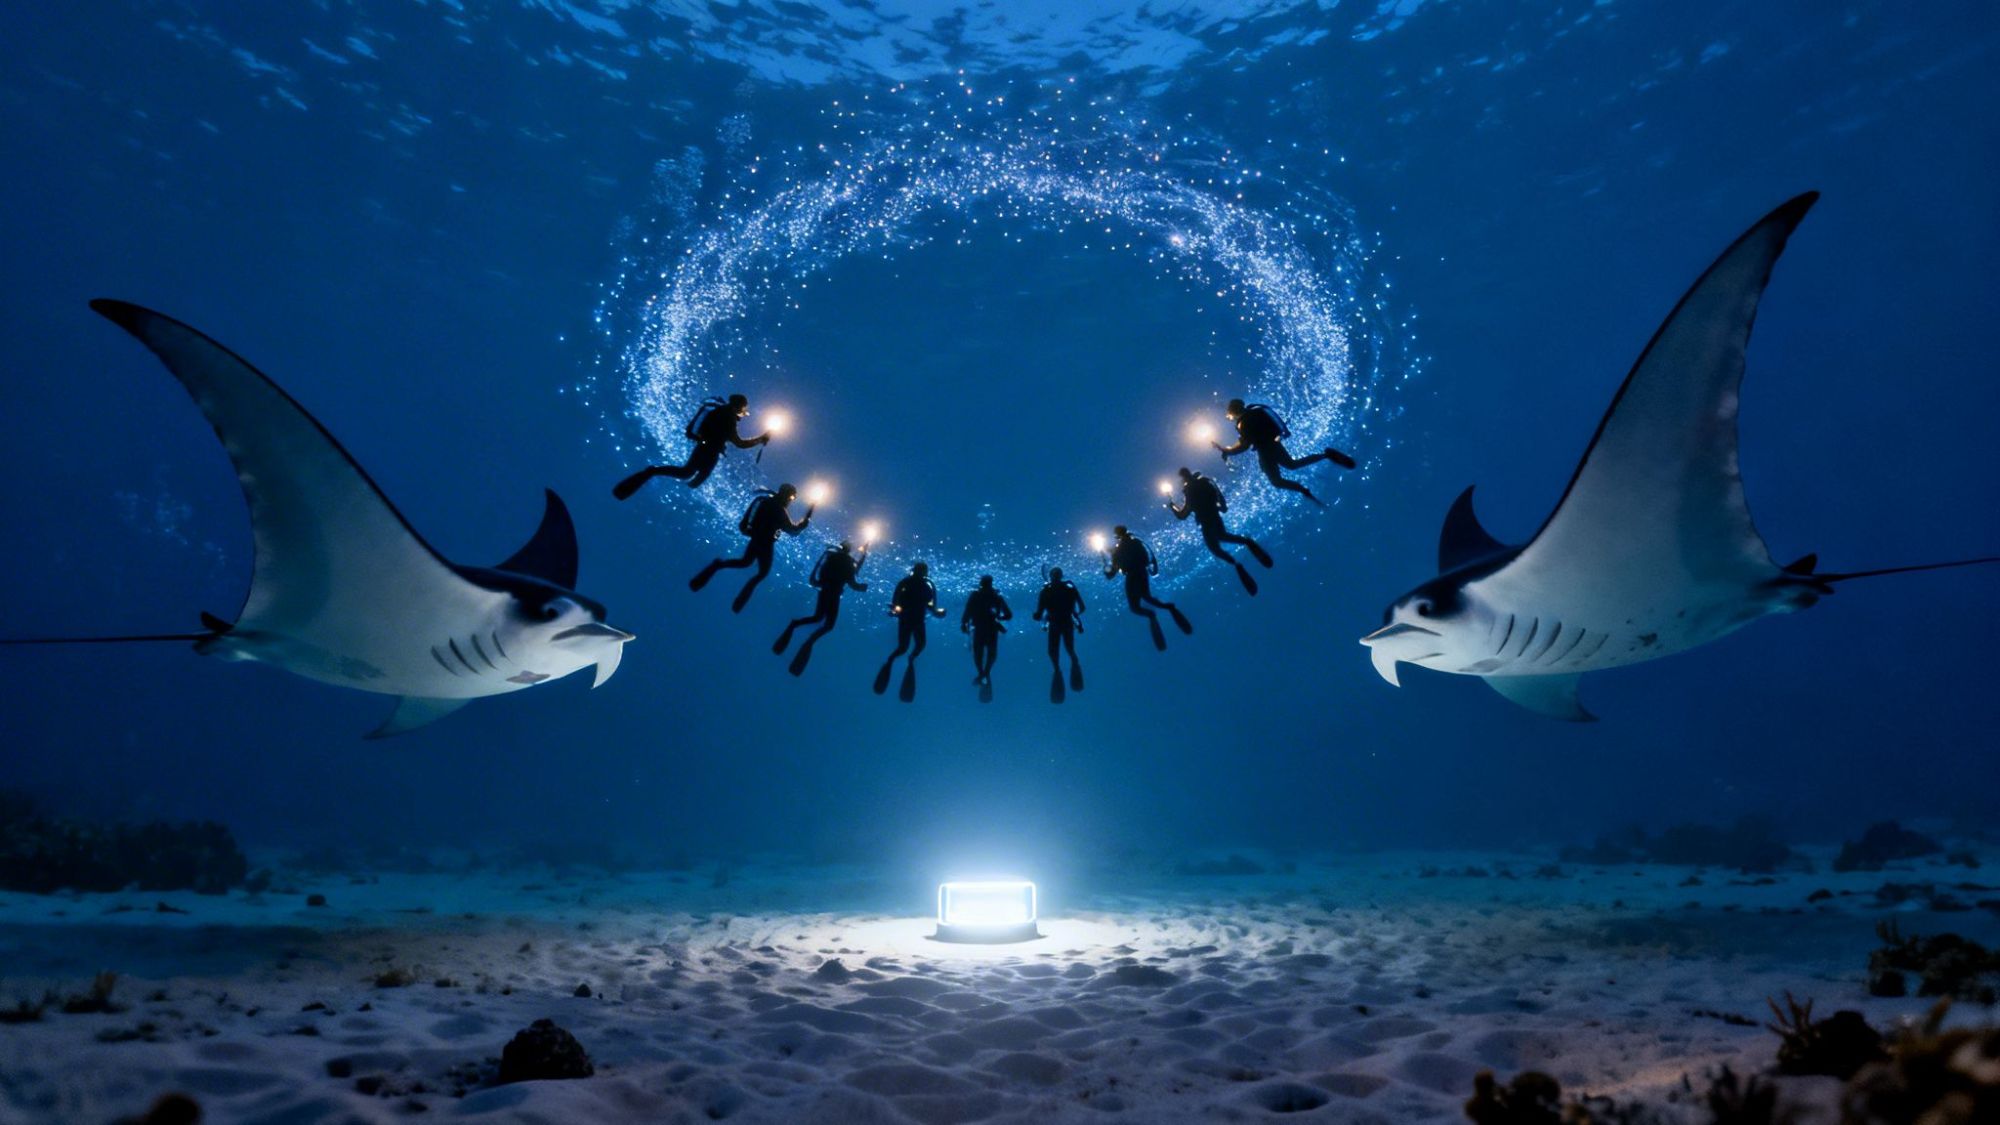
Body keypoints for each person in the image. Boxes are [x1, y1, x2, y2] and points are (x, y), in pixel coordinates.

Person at [612, 393, 770, 499]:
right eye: (743, 409)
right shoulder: (728, 417)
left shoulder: (720, 411)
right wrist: (760, 439)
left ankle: (653, 472)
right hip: (709, 451)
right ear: (738, 406)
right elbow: (739, 443)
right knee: (691, 477)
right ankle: (654, 472)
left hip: (704, 447)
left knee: (687, 474)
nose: (743, 413)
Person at [689, 483, 812, 613]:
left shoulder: (765, 500)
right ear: (787, 495)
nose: (791, 501)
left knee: (744, 562)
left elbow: (748, 519)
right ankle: (740, 600)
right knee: (761, 573)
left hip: (755, 538)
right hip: (766, 543)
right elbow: (792, 530)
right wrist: (804, 523)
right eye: (792, 497)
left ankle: (717, 566)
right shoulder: (780, 510)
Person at [1213, 397, 1355, 506]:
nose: (1230, 418)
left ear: (1234, 412)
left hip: (1265, 450)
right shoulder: (1255, 410)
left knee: (1277, 481)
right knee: (1292, 465)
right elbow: (1246, 440)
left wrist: (1226, 450)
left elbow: (1244, 445)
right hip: (1274, 444)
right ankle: (1325, 456)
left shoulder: (1243, 423)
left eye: (1230, 414)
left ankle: (1302, 489)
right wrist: (1228, 449)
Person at [1169, 466, 1273, 595]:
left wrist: (1172, 506)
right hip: (1215, 518)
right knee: (1224, 537)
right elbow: (1222, 502)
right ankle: (1247, 544)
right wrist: (1219, 507)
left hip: (1206, 523)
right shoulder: (1206, 482)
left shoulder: (1189, 490)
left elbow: (1182, 515)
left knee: (1215, 549)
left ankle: (1237, 562)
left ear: (1184, 478)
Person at [773, 539, 868, 676]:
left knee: (817, 617)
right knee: (828, 625)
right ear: (849, 550)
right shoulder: (848, 562)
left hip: (824, 590)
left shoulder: (830, 556)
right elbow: (852, 582)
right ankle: (809, 640)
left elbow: (819, 575)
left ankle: (794, 625)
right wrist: (863, 586)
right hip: (834, 594)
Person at [1103, 525, 1190, 651]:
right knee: (1147, 597)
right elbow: (1147, 558)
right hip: (1143, 573)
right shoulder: (1137, 542)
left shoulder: (1119, 550)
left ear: (1117, 536)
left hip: (1132, 575)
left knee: (1135, 607)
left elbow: (1112, 572)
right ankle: (1169, 607)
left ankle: (1152, 615)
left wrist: (1106, 568)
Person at [874, 562, 947, 702]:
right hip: (911, 620)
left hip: (912, 620)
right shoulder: (920, 585)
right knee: (910, 647)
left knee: (911, 646)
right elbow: (930, 606)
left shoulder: (916, 584)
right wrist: (937, 612)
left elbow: (930, 605)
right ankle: (903, 659)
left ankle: (902, 660)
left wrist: (937, 612)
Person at [1033, 567, 1086, 704]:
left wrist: (1038, 617)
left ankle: (1058, 670)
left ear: (1051, 576)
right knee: (1068, 648)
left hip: (1056, 624)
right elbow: (1081, 607)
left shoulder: (1046, 591)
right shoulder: (1069, 589)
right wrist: (1077, 621)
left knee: (1054, 650)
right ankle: (1072, 665)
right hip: (1066, 623)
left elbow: (1039, 612)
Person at [960, 575, 1013, 698]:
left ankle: (982, 673)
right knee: (991, 653)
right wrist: (999, 618)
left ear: (981, 583)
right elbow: (1009, 614)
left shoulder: (976, 595)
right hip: (991, 628)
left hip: (979, 628)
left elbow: (967, 611)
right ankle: (985, 672)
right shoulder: (996, 596)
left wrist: (963, 623)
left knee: (978, 653)